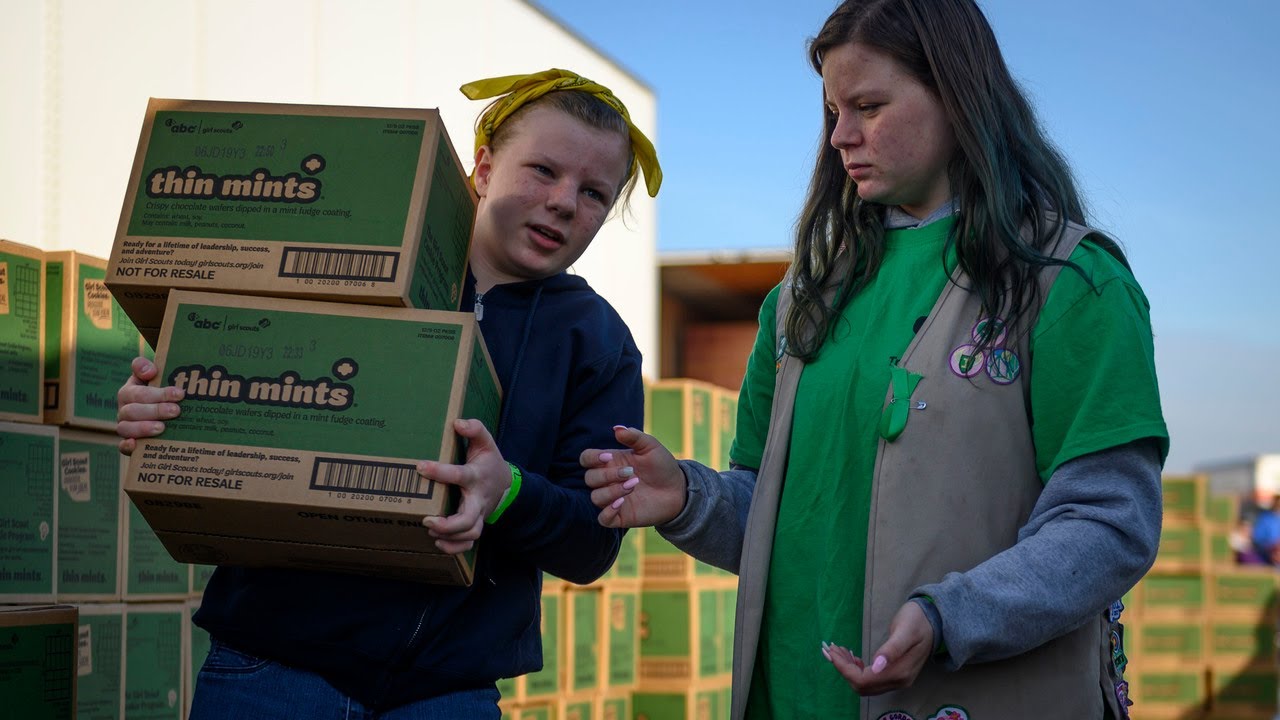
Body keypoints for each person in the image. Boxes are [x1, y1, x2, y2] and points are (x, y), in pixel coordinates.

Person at [581, 2, 1167, 718]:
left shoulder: (1072, 282)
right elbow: (781, 519)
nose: (839, 137)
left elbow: (1109, 524)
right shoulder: (800, 299)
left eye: (868, 106)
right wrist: (688, 497)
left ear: (959, 97)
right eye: (832, 111)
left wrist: (951, 615)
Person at [116, 68, 660, 719]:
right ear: (483, 167)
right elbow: (238, 374)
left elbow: (592, 542)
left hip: (447, 693)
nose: (566, 202)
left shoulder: (598, 344)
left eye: (595, 192)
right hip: (274, 666)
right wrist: (168, 408)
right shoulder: (349, 256)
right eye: (543, 170)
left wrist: (507, 491)